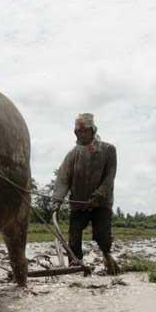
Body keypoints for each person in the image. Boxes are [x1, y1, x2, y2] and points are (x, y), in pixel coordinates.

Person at [52, 113, 120, 275]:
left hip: (101, 204)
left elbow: (109, 178)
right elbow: (63, 178)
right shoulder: (73, 154)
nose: (81, 134)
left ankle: (107, 257)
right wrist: (57, 200)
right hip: (78, 204)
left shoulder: (108, 150)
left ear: (92, 130)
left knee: (102, 236)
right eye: (78, 132)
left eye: (85, 131)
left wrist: (98, 195)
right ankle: (76, 267)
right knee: (74, 238)